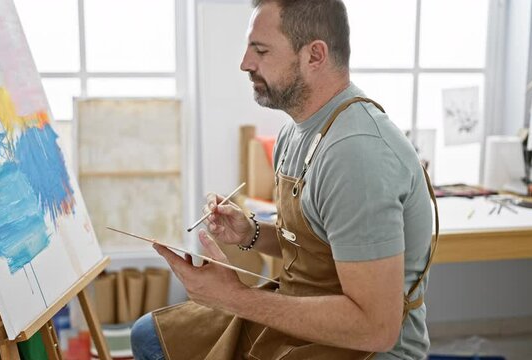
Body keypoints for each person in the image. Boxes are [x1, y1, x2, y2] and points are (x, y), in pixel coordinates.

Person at [130, 0, 438, 359]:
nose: (245, 63)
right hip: (304, 317)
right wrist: (251, 233)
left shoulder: (356, 155)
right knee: (149, 336)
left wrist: (235, 298)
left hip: (361, 348)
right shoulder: (297, 132)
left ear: (315, 55)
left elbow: (376, 329)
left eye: (260, 50)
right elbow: (316, 245)